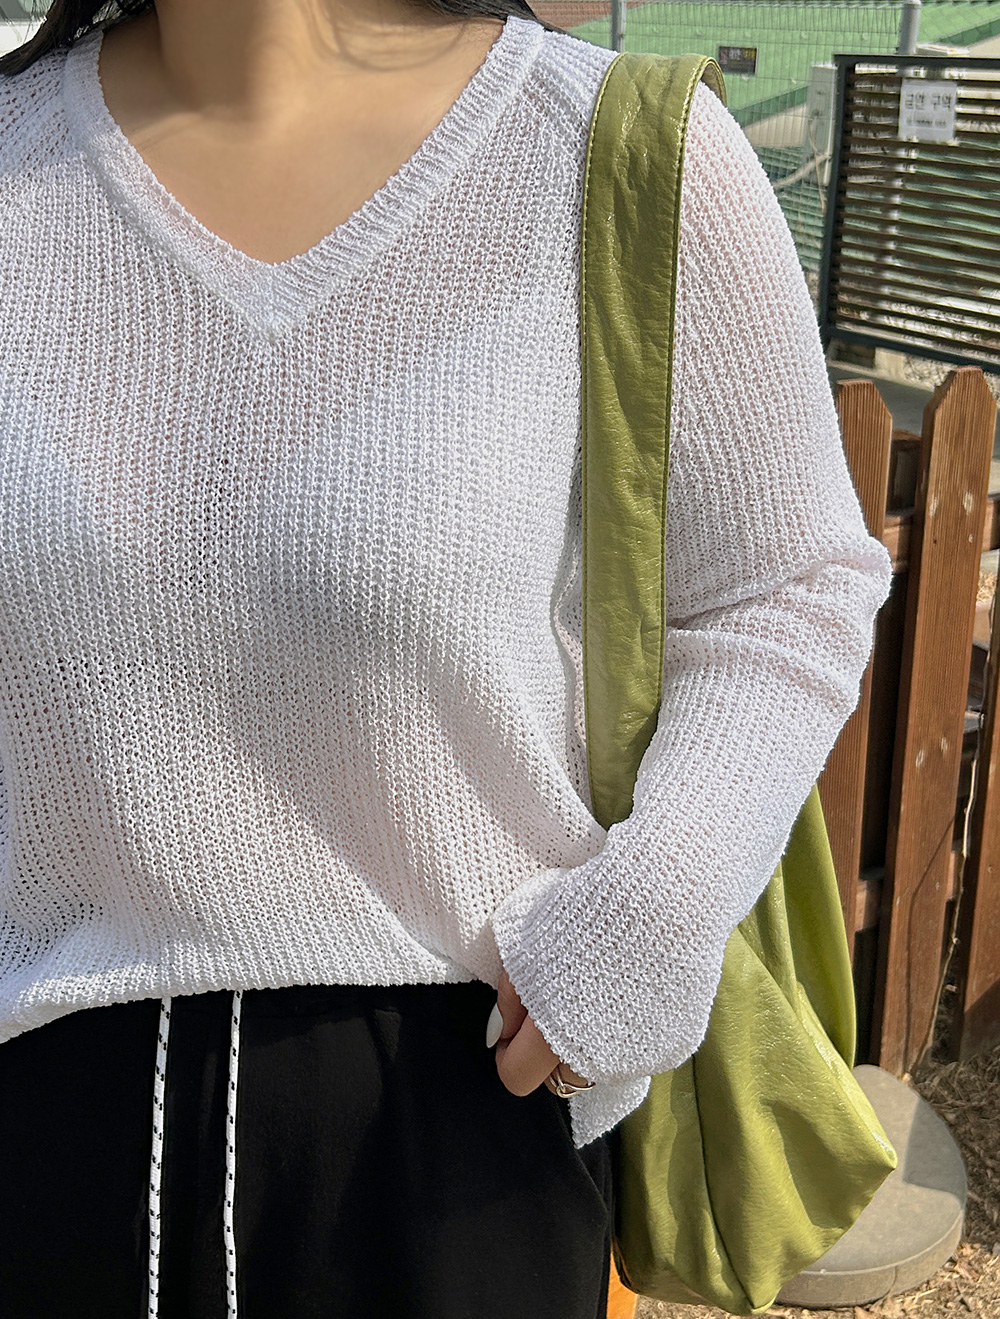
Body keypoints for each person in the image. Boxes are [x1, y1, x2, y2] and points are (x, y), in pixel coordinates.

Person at [0, 0, 893, 1314]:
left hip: (460, 1112)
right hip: (38, 1115)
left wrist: (655, 907)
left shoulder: (607, 151)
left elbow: (788, 582)